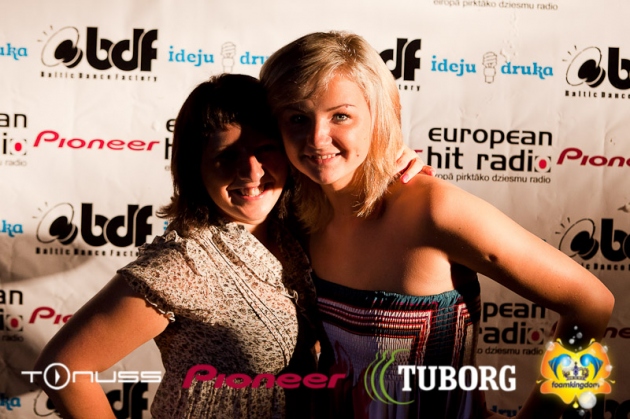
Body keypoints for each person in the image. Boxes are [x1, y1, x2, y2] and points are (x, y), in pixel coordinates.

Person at [259, 31, 615, 419]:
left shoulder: (433, 209)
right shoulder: (295, 214)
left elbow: (592, 304)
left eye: (341, 116)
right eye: (297, 118)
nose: (316, 137)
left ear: (378, 116)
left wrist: (542, 418)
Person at [33, 73, 429, 418]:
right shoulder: (185, 262)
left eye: (265, 149)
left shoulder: (305, 231)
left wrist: (393, 170)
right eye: (226, 155)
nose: (251, 172)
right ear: (195, 168)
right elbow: (63, 368)